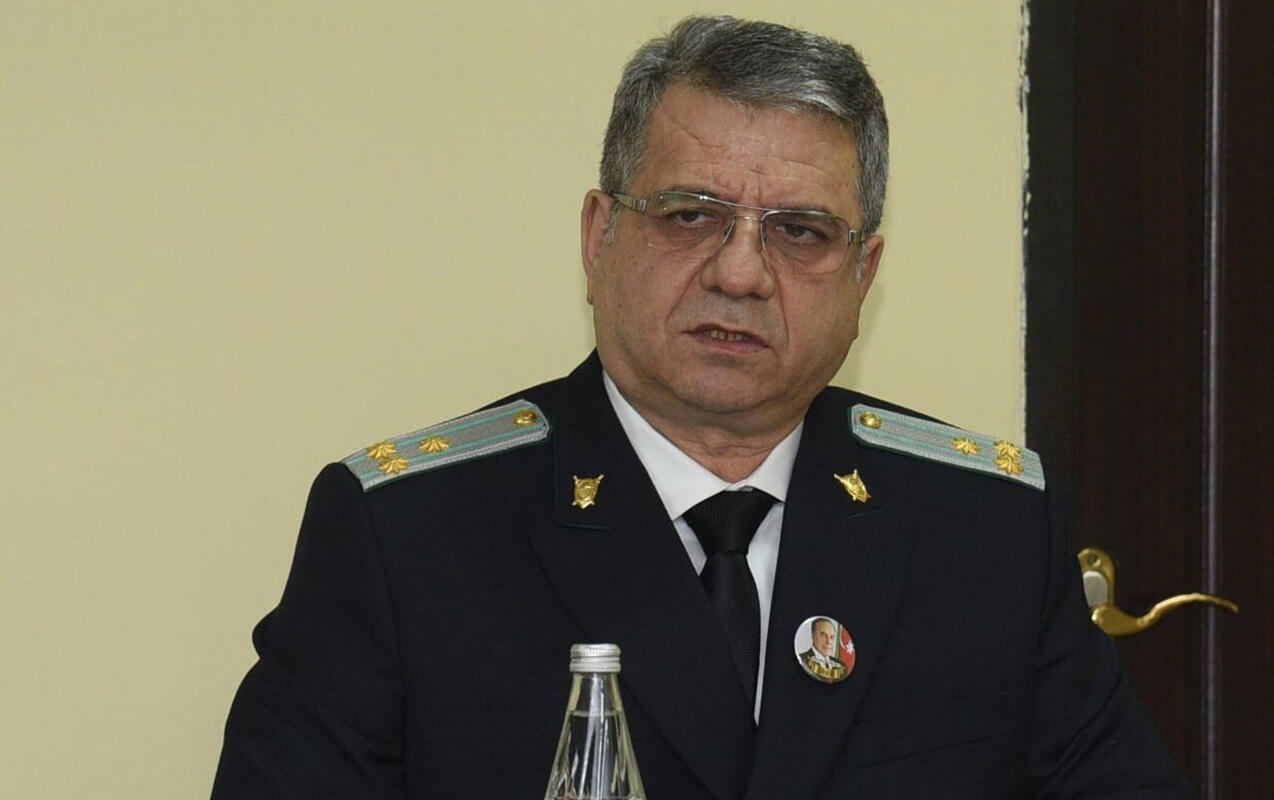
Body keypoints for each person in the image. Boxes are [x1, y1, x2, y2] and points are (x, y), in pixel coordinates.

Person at [212, 15, 1190, 799]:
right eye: (691, 215)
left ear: (863, 276)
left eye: (800, 232)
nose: (740, 273)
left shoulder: (984, 530)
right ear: (598, 236)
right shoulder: (407, 535)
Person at [799, 617, 849, 682]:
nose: (829, 642)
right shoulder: (802, 659)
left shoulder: (841, 667)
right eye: (823, 635)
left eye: (832, 637)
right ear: (813, 635)